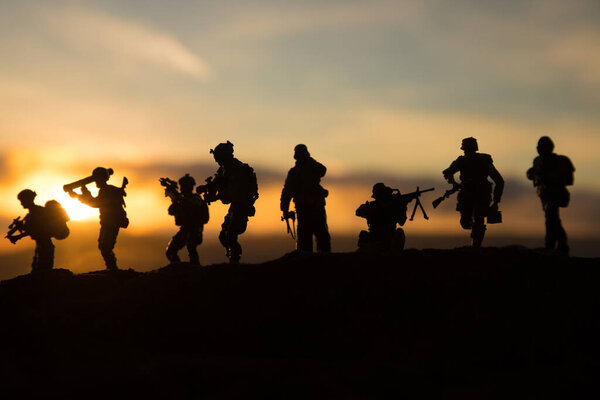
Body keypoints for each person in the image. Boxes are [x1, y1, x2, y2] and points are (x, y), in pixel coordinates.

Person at [200, 141, 258, 263]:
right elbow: (217, 183)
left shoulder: (238, 170)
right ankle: (232, 255)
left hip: (241, 205)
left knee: (231, 235)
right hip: (234, 206)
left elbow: (232, 194)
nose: (217, 161)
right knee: (223, 236)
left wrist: (216, 196)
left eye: (218, 158)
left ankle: (235, 259)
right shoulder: (224, 169)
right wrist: (206, 188)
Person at [442, 137, 504, 247]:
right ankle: (474, 231)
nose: (468, 152)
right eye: (466, 150)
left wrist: (496, 201)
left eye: (469, 149)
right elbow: (447, 172)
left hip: (481, 194)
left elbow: (499, 181)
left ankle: (476, 245)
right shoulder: (461, 161)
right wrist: (454, 183)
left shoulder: (484, 160)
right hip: (466, 195)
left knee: (479, 220)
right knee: (465, 222)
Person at [69, 167, 128, 270]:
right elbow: (95, 202)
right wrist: (82, 194)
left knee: (105, 247)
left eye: (97, 180)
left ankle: (113, 269)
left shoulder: (106, 191)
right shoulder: (107, 190)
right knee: (103, 246)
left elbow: (95, 203)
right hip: (107, 223)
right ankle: (112, 268)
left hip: (111, 223)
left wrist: (80, 195)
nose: (96, 182)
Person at [526, 136, 575, 254]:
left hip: (555, 193)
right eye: (538, 147)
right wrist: (532, 173)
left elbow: (568, 179)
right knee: (552, 219)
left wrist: (551, 178)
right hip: (544, 195)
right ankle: (558, 245)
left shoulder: (560, 161)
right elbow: (531, 174)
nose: (539, 149)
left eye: (541, 147)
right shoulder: (538, 161)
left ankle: (553, 244)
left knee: (551, 219)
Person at [280, 144, 331, 252]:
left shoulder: (312, 167)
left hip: (316, 207)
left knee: (321, 236)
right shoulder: (294, 173)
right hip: (304, 208)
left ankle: (325, 262)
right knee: (305, 238)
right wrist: (284, 209)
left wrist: (310, 161)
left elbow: (323, 170)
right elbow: (287, 191)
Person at [164, 174, 209, 264]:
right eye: (182, 186)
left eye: (184, 186)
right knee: (171, 251)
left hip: (195, 229)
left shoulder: (196, 199)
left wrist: (178, 197)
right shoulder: (181, 199)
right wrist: (174, 199)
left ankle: (195, 267)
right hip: (185, 229)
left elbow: (191, 204)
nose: (182, 188)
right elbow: (171, 210)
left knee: (191, 246)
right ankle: (177, 267)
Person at [8, 190, 55, 272]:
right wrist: (20, 227)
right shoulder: (32, 213)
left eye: (22, 201)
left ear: (28, 200)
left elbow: (36, 229)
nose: (21, 203)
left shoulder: (37, 212)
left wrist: (18, 236)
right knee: (37, 270)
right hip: (41, 245)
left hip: (45, 245)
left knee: (42, 272)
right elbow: (31, 228)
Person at [355, 183, 409, 252]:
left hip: (389, 239)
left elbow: (402, 222)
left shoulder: (393, 207)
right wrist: (375, 210)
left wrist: (402, 207)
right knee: (363, 234)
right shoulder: (372, 206)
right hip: (375, 239)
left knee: (399, 232)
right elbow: (358, 212)